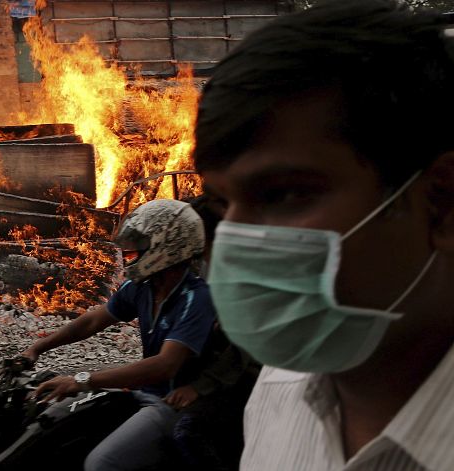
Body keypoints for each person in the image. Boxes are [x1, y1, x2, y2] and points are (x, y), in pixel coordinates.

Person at [193, 1, 454, 469]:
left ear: (442, 203)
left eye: (284, 194)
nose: (232, 242)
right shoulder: (276, 395)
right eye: (220, 204)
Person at [22, 198, 216, 471]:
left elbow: (165, 365)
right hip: (140, 392)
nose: (129, 254)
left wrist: (83, 380)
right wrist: (37, 347)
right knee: (56, 434)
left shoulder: (195, 298)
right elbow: (93, 321)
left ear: (167, 245)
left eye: (138, 246)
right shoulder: (142, 286)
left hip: (171, 403)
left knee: (101, 463)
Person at [166, 194, 261, 471]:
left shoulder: (242, 270)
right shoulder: (206, 264)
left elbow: (245, 346)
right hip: (223, 367)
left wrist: (200, 387)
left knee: (189, 432)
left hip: (248, 376)